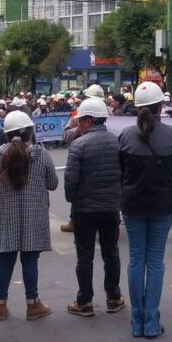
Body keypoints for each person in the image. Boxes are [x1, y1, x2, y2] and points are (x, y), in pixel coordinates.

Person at [118, 82, 172, 338]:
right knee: (155, 262)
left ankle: (137, 323)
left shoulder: (124, 135)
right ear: (160, 106)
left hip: (133, 204)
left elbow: (122, 169)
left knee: (136, 260)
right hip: (162, 204)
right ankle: (151, 322)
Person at [0, 111, 57, 323]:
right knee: (30, 258)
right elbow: (53, 184)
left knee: (5, 259)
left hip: (5, 214)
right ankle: (33, 304)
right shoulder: (41, 154)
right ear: (30, 131)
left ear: (6, 134)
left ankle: (0, 305)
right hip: (33, 213)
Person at [64, 97, 124, 317]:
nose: (77, 124)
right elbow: (123, 175)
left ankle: (85, 301)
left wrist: (74, 201)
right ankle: (113, 297)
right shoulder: (118, 141)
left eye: (80, 120)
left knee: (85, 257)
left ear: (88, 120)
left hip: (84, 210)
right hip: (110, 208)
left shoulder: (79, 145)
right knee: (111, 253)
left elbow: (70, 181)